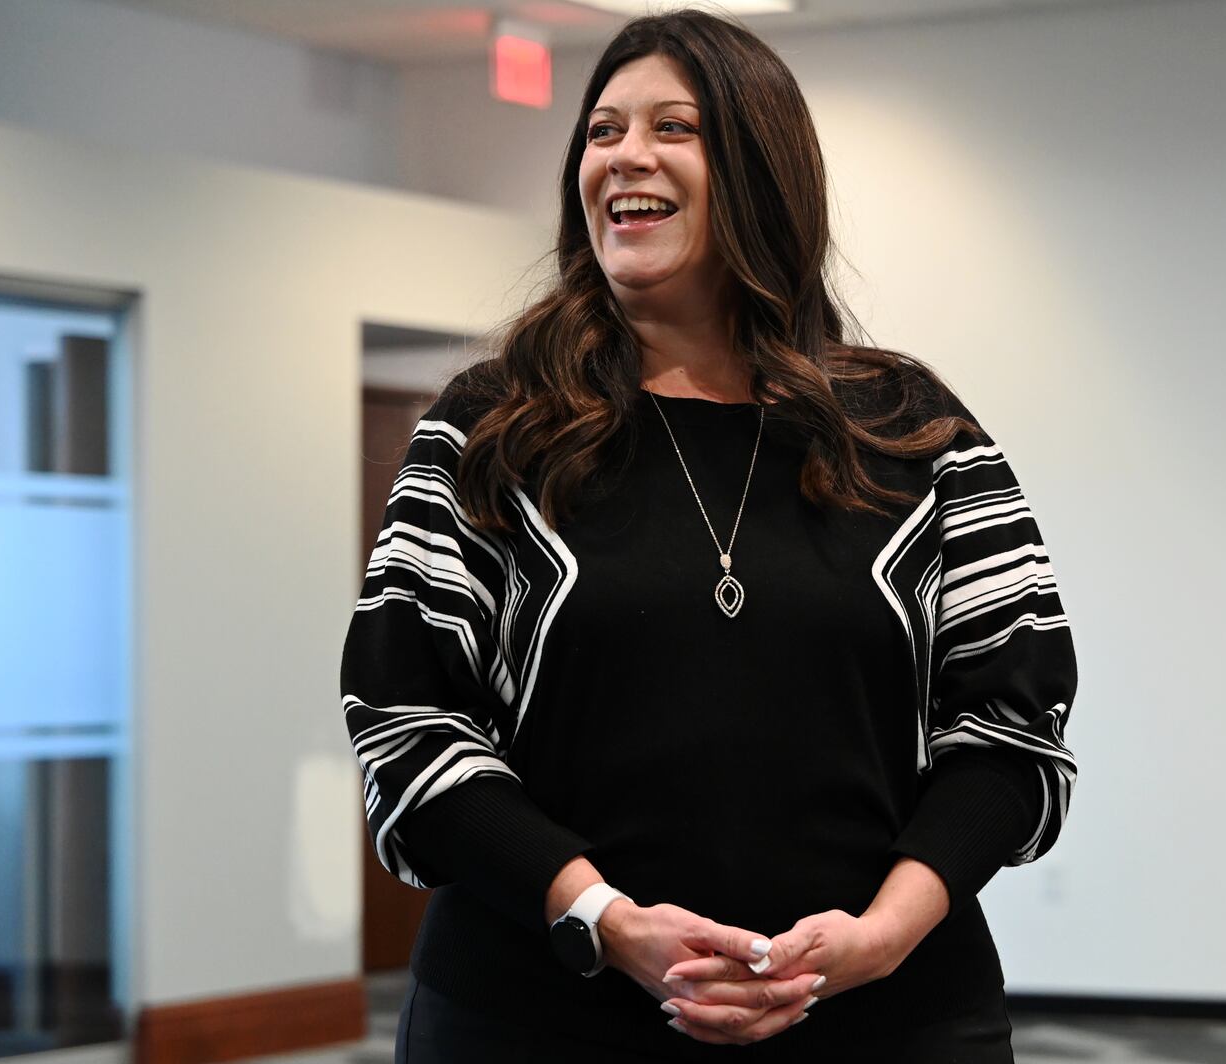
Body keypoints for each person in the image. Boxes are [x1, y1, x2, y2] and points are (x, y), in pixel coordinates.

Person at [340, 9, 1078, 1062]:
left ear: (759, 167)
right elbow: (405, 717)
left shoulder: (915, 431)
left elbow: (1012, 720)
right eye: (601, 131)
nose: (625, 155)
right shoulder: (492, 426)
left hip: (884, 1016)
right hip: (540, 1017)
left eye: (671, 127)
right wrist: (607, 919)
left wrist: (876, 937)